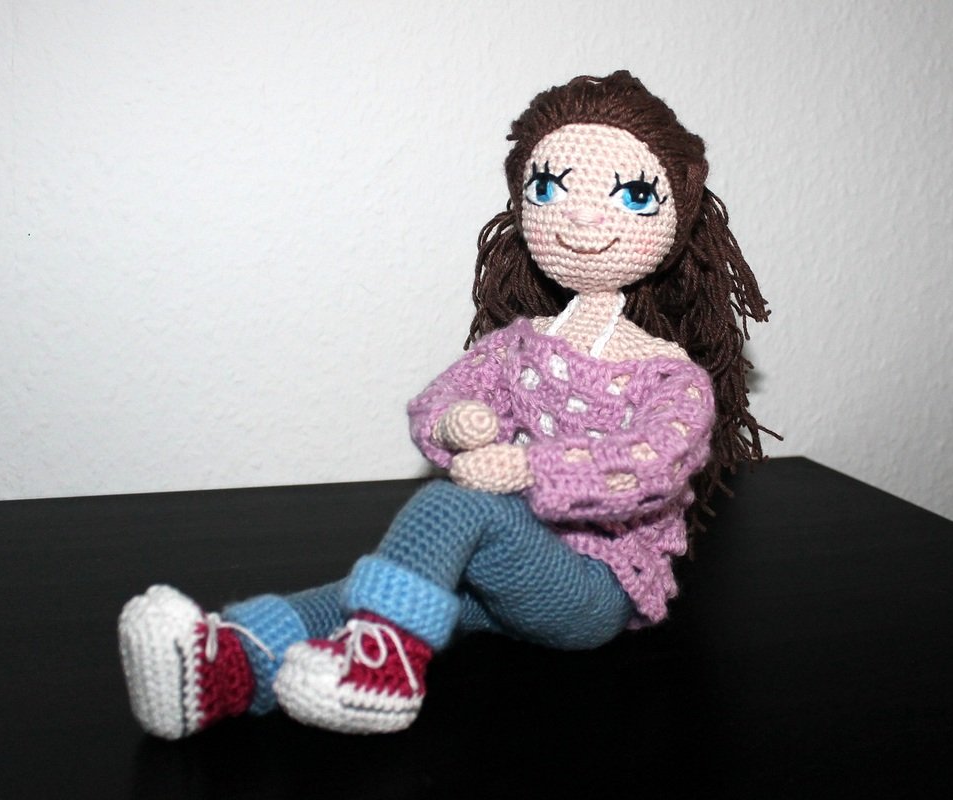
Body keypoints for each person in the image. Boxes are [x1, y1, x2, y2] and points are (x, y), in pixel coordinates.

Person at [118, 71, 771, 739]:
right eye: (549, 188)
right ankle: (223, 666)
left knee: (452, 507)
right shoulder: (519, 346)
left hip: (594, 586)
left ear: (673, 221)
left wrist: (528, 469)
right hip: (508, 567)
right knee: (390, 582)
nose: (581, 217)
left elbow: (653, 462)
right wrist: (460, 422)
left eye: (632, 195)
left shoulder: (671, 377)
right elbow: (440, 403)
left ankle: (380, 675)